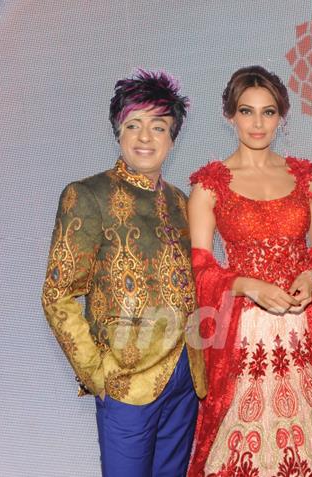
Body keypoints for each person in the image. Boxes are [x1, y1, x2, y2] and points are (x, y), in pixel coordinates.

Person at [186, 65, 312, 476]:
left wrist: (311, 276)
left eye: (268, 112)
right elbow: (200, 267)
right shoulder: (209, 184)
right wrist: (246, 284)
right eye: (247, 111)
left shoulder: (303, 176)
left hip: (304, 328)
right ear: (229, 116)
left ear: (282, 116)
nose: (258, 123)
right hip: (246, 335)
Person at [41, 70, 207, 476]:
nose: (145, 137)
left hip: (186, 377)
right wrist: (98, 374)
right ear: (118, 131)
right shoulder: (88, 194)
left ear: (173, 137)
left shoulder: (182, 202)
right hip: (126, 381)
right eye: (134, 125)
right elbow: (57, 294)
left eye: (158, 126)